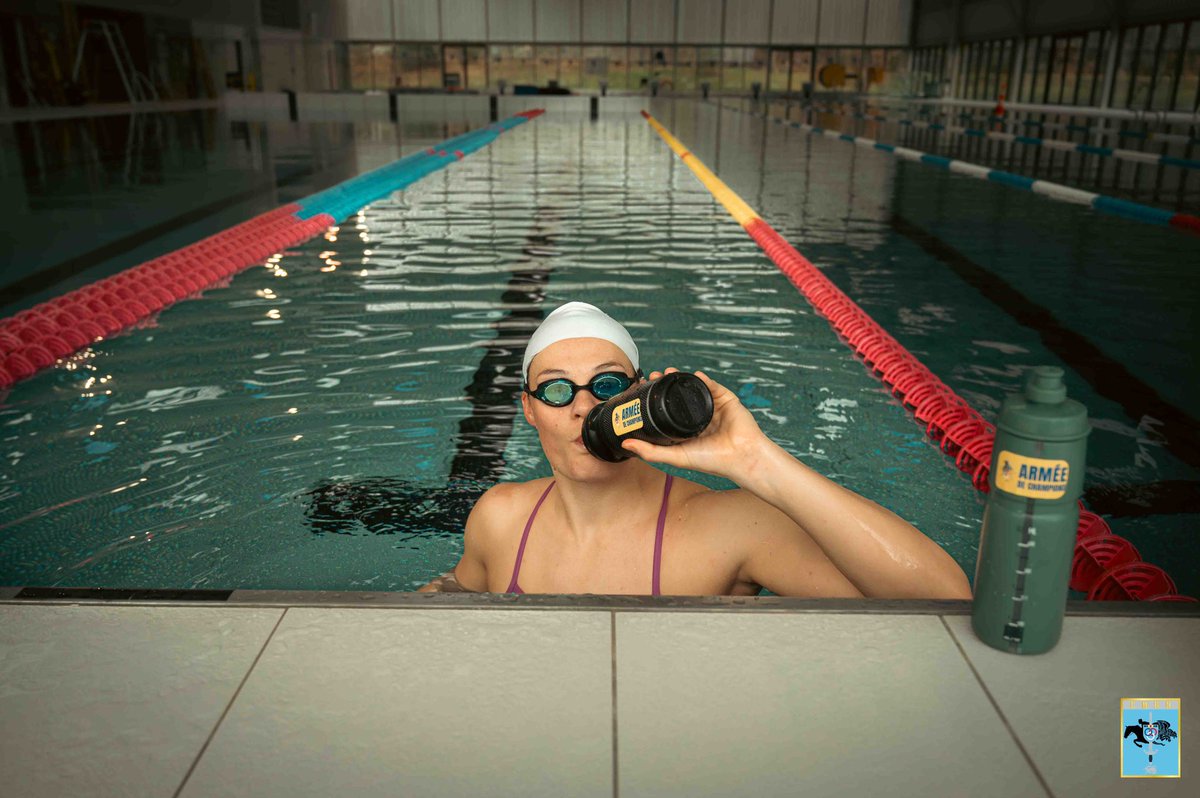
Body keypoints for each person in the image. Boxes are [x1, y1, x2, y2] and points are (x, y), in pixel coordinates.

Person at [418, 302, 972, 598]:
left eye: (607, 385)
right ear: (530, 409)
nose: (584, 407)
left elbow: (943, 599)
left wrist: (754, 460)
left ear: (635, 394)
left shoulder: (725, 525)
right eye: (558, 388)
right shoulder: (500, 516)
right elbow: (455, 591)